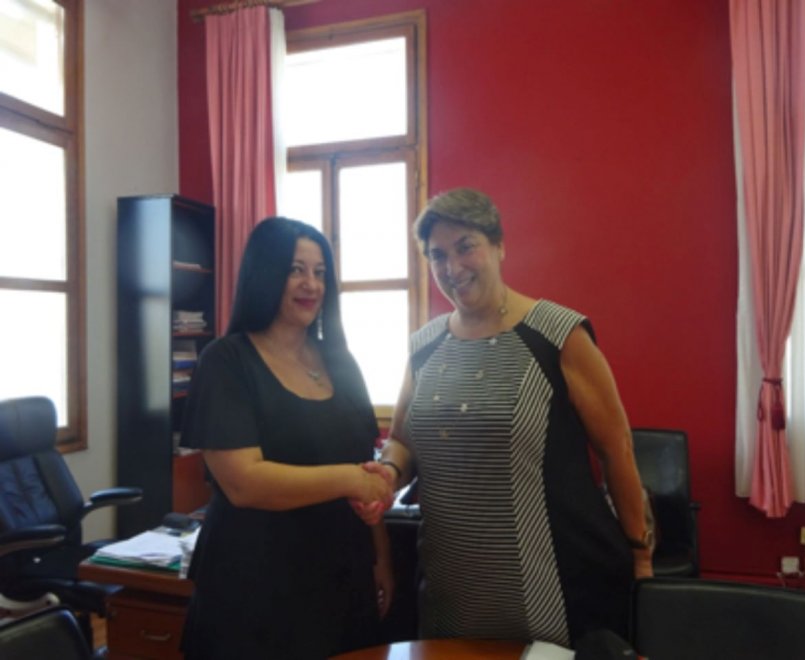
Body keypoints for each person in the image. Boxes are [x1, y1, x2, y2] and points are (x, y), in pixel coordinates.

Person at [360, 188, 653, 648]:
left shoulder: (557, 335)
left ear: (499, 245)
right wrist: (389, 472)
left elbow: (617, 450)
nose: (452, 267)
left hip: (553, 580)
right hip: (450, 581)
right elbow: (403, 440)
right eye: (438, 255)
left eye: (466, 247)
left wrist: (640, 555)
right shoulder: (424, 347)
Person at [179, 217, 394, 659]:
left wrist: (382, 559)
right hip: (254, 587)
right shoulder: (226, 361)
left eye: (320, 272)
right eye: (296, 269)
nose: (310, 284)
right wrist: (350, 479)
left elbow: (366, 469)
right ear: (265, 272)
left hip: (341, 576)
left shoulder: (341, 361)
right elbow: (244, 483)